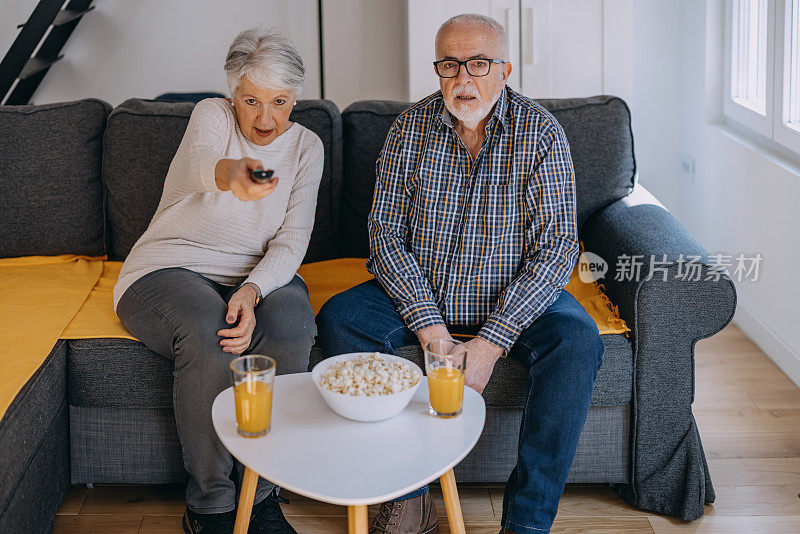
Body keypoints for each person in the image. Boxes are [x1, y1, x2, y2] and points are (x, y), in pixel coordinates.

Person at [316, 13, 604, 534]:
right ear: (437, 70)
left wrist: (491, 343)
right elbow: (383, 233)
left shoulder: (541, 134)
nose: (463, 78)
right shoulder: (409, 128)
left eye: (478, 63)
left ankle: (528, 522)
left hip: (511, 296)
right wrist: (429, 327)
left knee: (579, 341)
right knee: (341, 318)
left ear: (505, 69)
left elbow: (558, 248)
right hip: (423, 291)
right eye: (450, 64)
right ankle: (409, 495)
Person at [114, 26, 324, 534]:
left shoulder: (307, 148)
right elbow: (199, 165)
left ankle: (263, 493)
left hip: (256, 274)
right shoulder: (211, 115)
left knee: (294, 327)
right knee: (213, 338)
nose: (265, 118)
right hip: (169, 265)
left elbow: (291, 244)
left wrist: (252, 291)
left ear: (295, 98)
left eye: (279, 102)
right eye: (251, 101)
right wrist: (235, 175)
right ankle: (210, 505)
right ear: (234, 95)